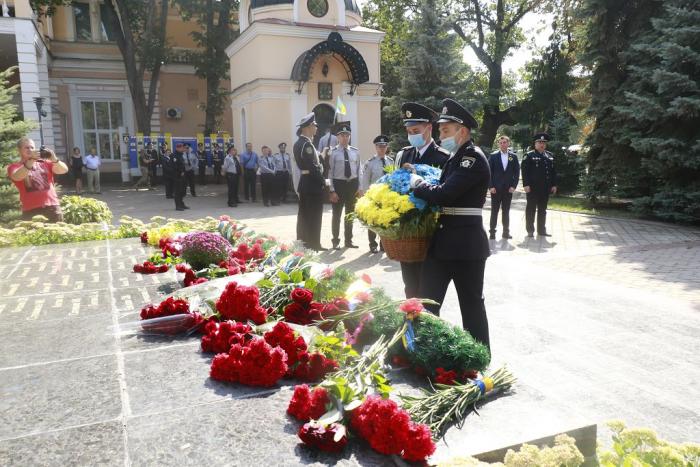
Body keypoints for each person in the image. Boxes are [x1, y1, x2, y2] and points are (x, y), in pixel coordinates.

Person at [410, 98, 491, 350]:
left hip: (466, 246)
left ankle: (479, 357)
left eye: (445, 131)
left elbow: (445, 194)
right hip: (443, 243)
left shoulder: (472, 159)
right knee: (427, 303)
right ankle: (424, 354)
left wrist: (418, 184)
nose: (441, 135)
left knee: (471, 305)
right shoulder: (455, 158)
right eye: (441, 130)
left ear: (462, 131)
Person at [395, 102, 450, 298]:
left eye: (416, 130)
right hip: (408, 235)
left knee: (428, 290)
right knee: (410, 286)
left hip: (432, 233)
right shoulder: (404, 154)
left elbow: (445, 194)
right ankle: (411, 315)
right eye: (409, 131)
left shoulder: (444, 157)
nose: (412, 135)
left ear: (429, 127)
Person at [8, 137, 68, 222]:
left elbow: (64, 170)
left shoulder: (44, 163)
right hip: (30, 210)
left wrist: (54, 159)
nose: (30, 150)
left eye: (32, 147)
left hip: (52, 207)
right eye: (27, 148)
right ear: (19, 150)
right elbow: (17, 176)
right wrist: (32, 160)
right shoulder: (15, 166)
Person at [294, 112, 326, 251]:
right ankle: (312, 244)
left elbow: (313, 162)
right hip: (311, 184)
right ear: (308, 127)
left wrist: (322, 156)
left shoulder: (302, 143)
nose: (316, 128)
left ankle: (308, 243)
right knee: (313, 216)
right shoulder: (306, 144)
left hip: (307, 183)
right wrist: (323, 181)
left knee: (306, 215)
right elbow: (312, 167)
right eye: (314, 125)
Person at [328, 121, 361, 249]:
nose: (345, 138)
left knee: (349, 214)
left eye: (347, 135)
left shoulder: (355, 152)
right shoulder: (333, 152)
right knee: (336, 215)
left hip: (352, 185)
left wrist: (359, 187)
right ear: (337, 137)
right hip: (338, 185)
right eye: (342, 135)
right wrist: (332, 190)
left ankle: (348, 240)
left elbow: (359, 170)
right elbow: (329, 172)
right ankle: (335, 241)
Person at [521, 132, 557, 237]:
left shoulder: (550, 156)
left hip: (545, 188)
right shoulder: (529, 155)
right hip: (532, 188)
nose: (542, 144)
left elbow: (553, 172)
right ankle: (530, 230)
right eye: (539, 142)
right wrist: (526, 185)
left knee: (542, 210)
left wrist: (554, 185)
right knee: (531, 209)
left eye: (544, 143)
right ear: (535, 143)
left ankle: (541, 230)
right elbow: (525, 171)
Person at [361, 135, 393, 253]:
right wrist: (366, 197)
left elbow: (393, 179)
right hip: (374, 196)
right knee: (373, 221)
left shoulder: (391, 161)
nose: (382, 149)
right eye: (380, 146)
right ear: (376, 147)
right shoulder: (370, 163)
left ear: (387, 147)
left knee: (385, 220)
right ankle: (373, 244)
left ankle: (383, 244)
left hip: (387, 196)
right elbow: (365, 181)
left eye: (384, 146)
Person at [488, 135, 520, 239]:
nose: (502, 144)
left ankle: (506, 232)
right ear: (498, 144)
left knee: (506, 212)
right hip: (495, 189)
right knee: (494, 211)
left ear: (508, 143)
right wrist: (490, 186)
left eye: (504, 142)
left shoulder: (513, 157)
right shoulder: (493, 156)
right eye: (500, 143)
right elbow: (489, 173)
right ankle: (492, 232)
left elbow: (516, 172)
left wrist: (514, 186)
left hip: (508, 189)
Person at [172, 142, 189, 211]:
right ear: (177, 148)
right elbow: (175, 166)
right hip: (177, 176)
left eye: (183, 147)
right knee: (177, 191)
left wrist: (183, 172)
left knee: (182, 191)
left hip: (182, 175)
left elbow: (182, 165)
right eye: (181, 148)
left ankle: (181, 204)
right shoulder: (174, 155)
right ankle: (178, 206)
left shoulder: (181, 155)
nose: (183, 149)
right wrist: (180, 172)